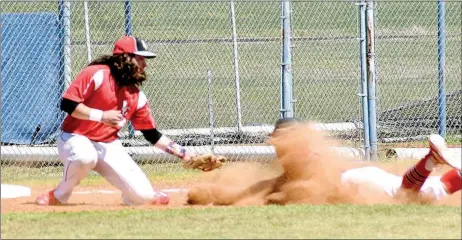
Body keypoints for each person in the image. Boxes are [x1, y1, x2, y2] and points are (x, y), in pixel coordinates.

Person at [36, 36, 198, 206]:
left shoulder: (136, 95)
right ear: (125, 58)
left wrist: (183, 153)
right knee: (84, 157)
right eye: (140, 58)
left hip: (108, 145)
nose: (145, 65)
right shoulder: (97, 73)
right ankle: (59, 195)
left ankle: (142, 194)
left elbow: (152, 134)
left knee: (142, 197)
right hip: (75, 137)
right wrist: (101, 116)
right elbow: (67, 104)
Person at [274, 118, 462, 201]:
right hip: (361, 177)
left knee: (404, 195)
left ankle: (430, 159)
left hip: (356, 180)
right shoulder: (306, 158)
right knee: (434, 191)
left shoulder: (300, 157)